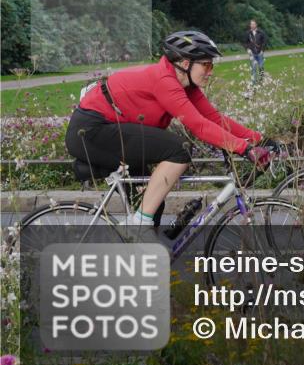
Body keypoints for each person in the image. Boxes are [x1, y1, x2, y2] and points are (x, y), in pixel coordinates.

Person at [65, 31, 275, 231]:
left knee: (153, 205)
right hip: (90, 131)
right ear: (185, 63)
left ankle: (144, 256)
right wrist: (243, 148)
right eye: (206, 65)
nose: (211, 71)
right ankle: (138, 222)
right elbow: (198, 126)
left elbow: (212, 118)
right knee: (179, 149)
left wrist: (260, 140)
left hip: (110, 129)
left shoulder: (186, 84)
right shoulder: (164, 81)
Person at [244, 19, 268, 85]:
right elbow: (246, 43)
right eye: (251, 24)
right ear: (250, 25)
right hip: (252, 54)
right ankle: (253, 83)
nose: (252, 25)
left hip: (260, 53)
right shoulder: (248, 33)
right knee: (253, 69)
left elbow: (264, 42)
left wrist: (262, 51)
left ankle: (261, 81)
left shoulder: (261, 32)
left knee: (261, 67)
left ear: (256, 25)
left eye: (253, 24)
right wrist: (248, 49)